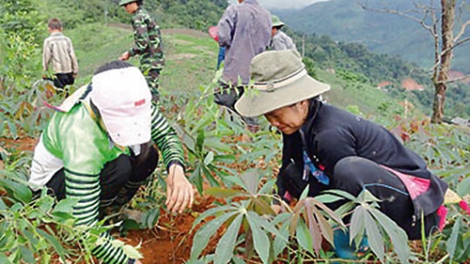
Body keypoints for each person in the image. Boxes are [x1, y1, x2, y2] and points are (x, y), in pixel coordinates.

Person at [235, 50, 448, 258]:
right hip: (364, 190)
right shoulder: (296, 124)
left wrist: (324, 230)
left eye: (276, 114)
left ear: (300, 102)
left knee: (348, 170)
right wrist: (277, 202)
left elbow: (344, 192)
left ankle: (352, 249)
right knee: (293, 172)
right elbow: (286, 166)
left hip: (411, 207)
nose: (273, 122)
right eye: (268, 116)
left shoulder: (329, 134)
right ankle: (328, 228)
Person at [29, 61, 194, 264]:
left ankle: (110, 212)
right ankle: (95, 216)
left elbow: (166, 135)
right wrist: (128, 262)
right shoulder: (79, 132)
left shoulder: (129, 98)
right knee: (121, 166)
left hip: (97, 166)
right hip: (52, 189)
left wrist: (176, 169)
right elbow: (84, 227)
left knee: (147, 155)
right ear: (100, 111)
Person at [215, 0, 272, 131]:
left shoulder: (233, 10)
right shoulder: (267, 15)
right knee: (250, 117)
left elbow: (223, 37)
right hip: (254, 76)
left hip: (233, 74)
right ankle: (248, 147)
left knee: (224, 113)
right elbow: (267, 42)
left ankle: (227, 145)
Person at [119, 0, 164, 104]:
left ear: (134, 3)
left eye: (127, 5)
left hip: (150, 60)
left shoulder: (138, 18)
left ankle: (152, 116)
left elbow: (143, 43)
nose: (126, 8)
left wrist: (129, 53)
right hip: (156, 58)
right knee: (150, 88)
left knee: (148, 91)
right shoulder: (145, 14)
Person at [42, 18, 79, 93]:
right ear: (61, 29)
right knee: (69, 94)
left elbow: (46, 58)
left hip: (57, 73)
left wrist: (44, 71)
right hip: (69, 72)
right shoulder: (67, 40)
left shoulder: (49, 41)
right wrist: (75, 70)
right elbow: (72, 56)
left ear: (49, 29)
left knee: (61, 95)